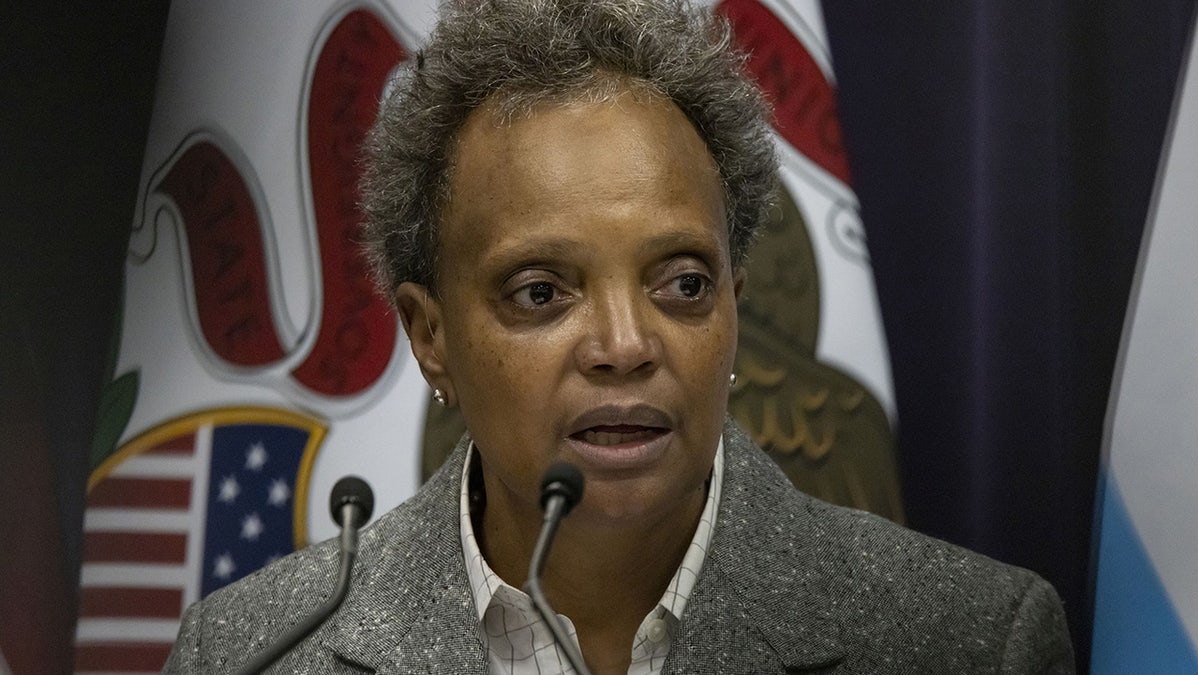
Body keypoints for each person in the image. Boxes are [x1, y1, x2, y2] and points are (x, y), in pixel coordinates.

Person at [163, 0, 1075, 672]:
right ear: (429, 334)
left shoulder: (967, 640)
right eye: (541, 292)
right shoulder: (252, 653)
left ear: (736, 305)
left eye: (682, 283)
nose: (626, 343)